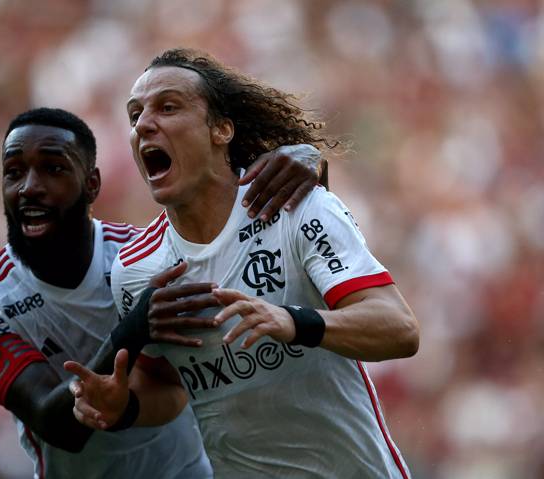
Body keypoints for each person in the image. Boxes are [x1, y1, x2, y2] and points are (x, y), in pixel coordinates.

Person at [65, 49, 420, 478]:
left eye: (169, 106)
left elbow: (399, 329)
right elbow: (171, 385)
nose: (143, 124)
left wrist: (294, 322)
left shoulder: (295, 209)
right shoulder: (136, 269)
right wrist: (124, 407)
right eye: (135, 115)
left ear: (221, 129)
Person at [0, 107, 325, 478]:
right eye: (13, 172)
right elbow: (56, 425)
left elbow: (179, 383)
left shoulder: (144, 260)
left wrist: (306, 172)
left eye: (54, 168)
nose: (30, 188)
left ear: (92, 185)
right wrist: (133, 329)